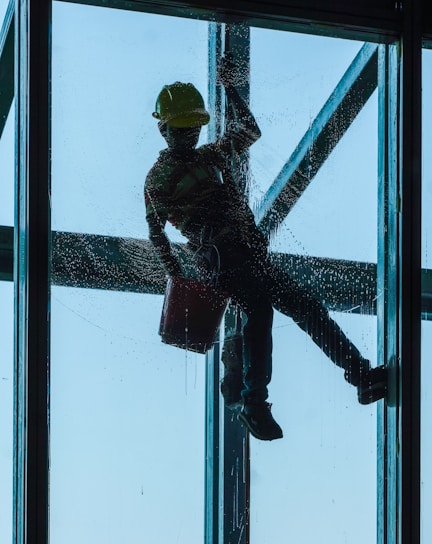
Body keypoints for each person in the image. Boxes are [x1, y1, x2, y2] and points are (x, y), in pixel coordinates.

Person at [145, 56, 387, 442]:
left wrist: (229, 89)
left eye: (193, 129)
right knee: (258, 309)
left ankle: (359, 375)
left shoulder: (208, 157)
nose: (189, 136)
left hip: (245, 252)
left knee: (303, 307)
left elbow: (249, 131)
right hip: (222, 260)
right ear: (165, 130)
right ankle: (253, 400)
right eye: (182, 129)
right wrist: (177, 275)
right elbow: (157, 232)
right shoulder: (158, 178)